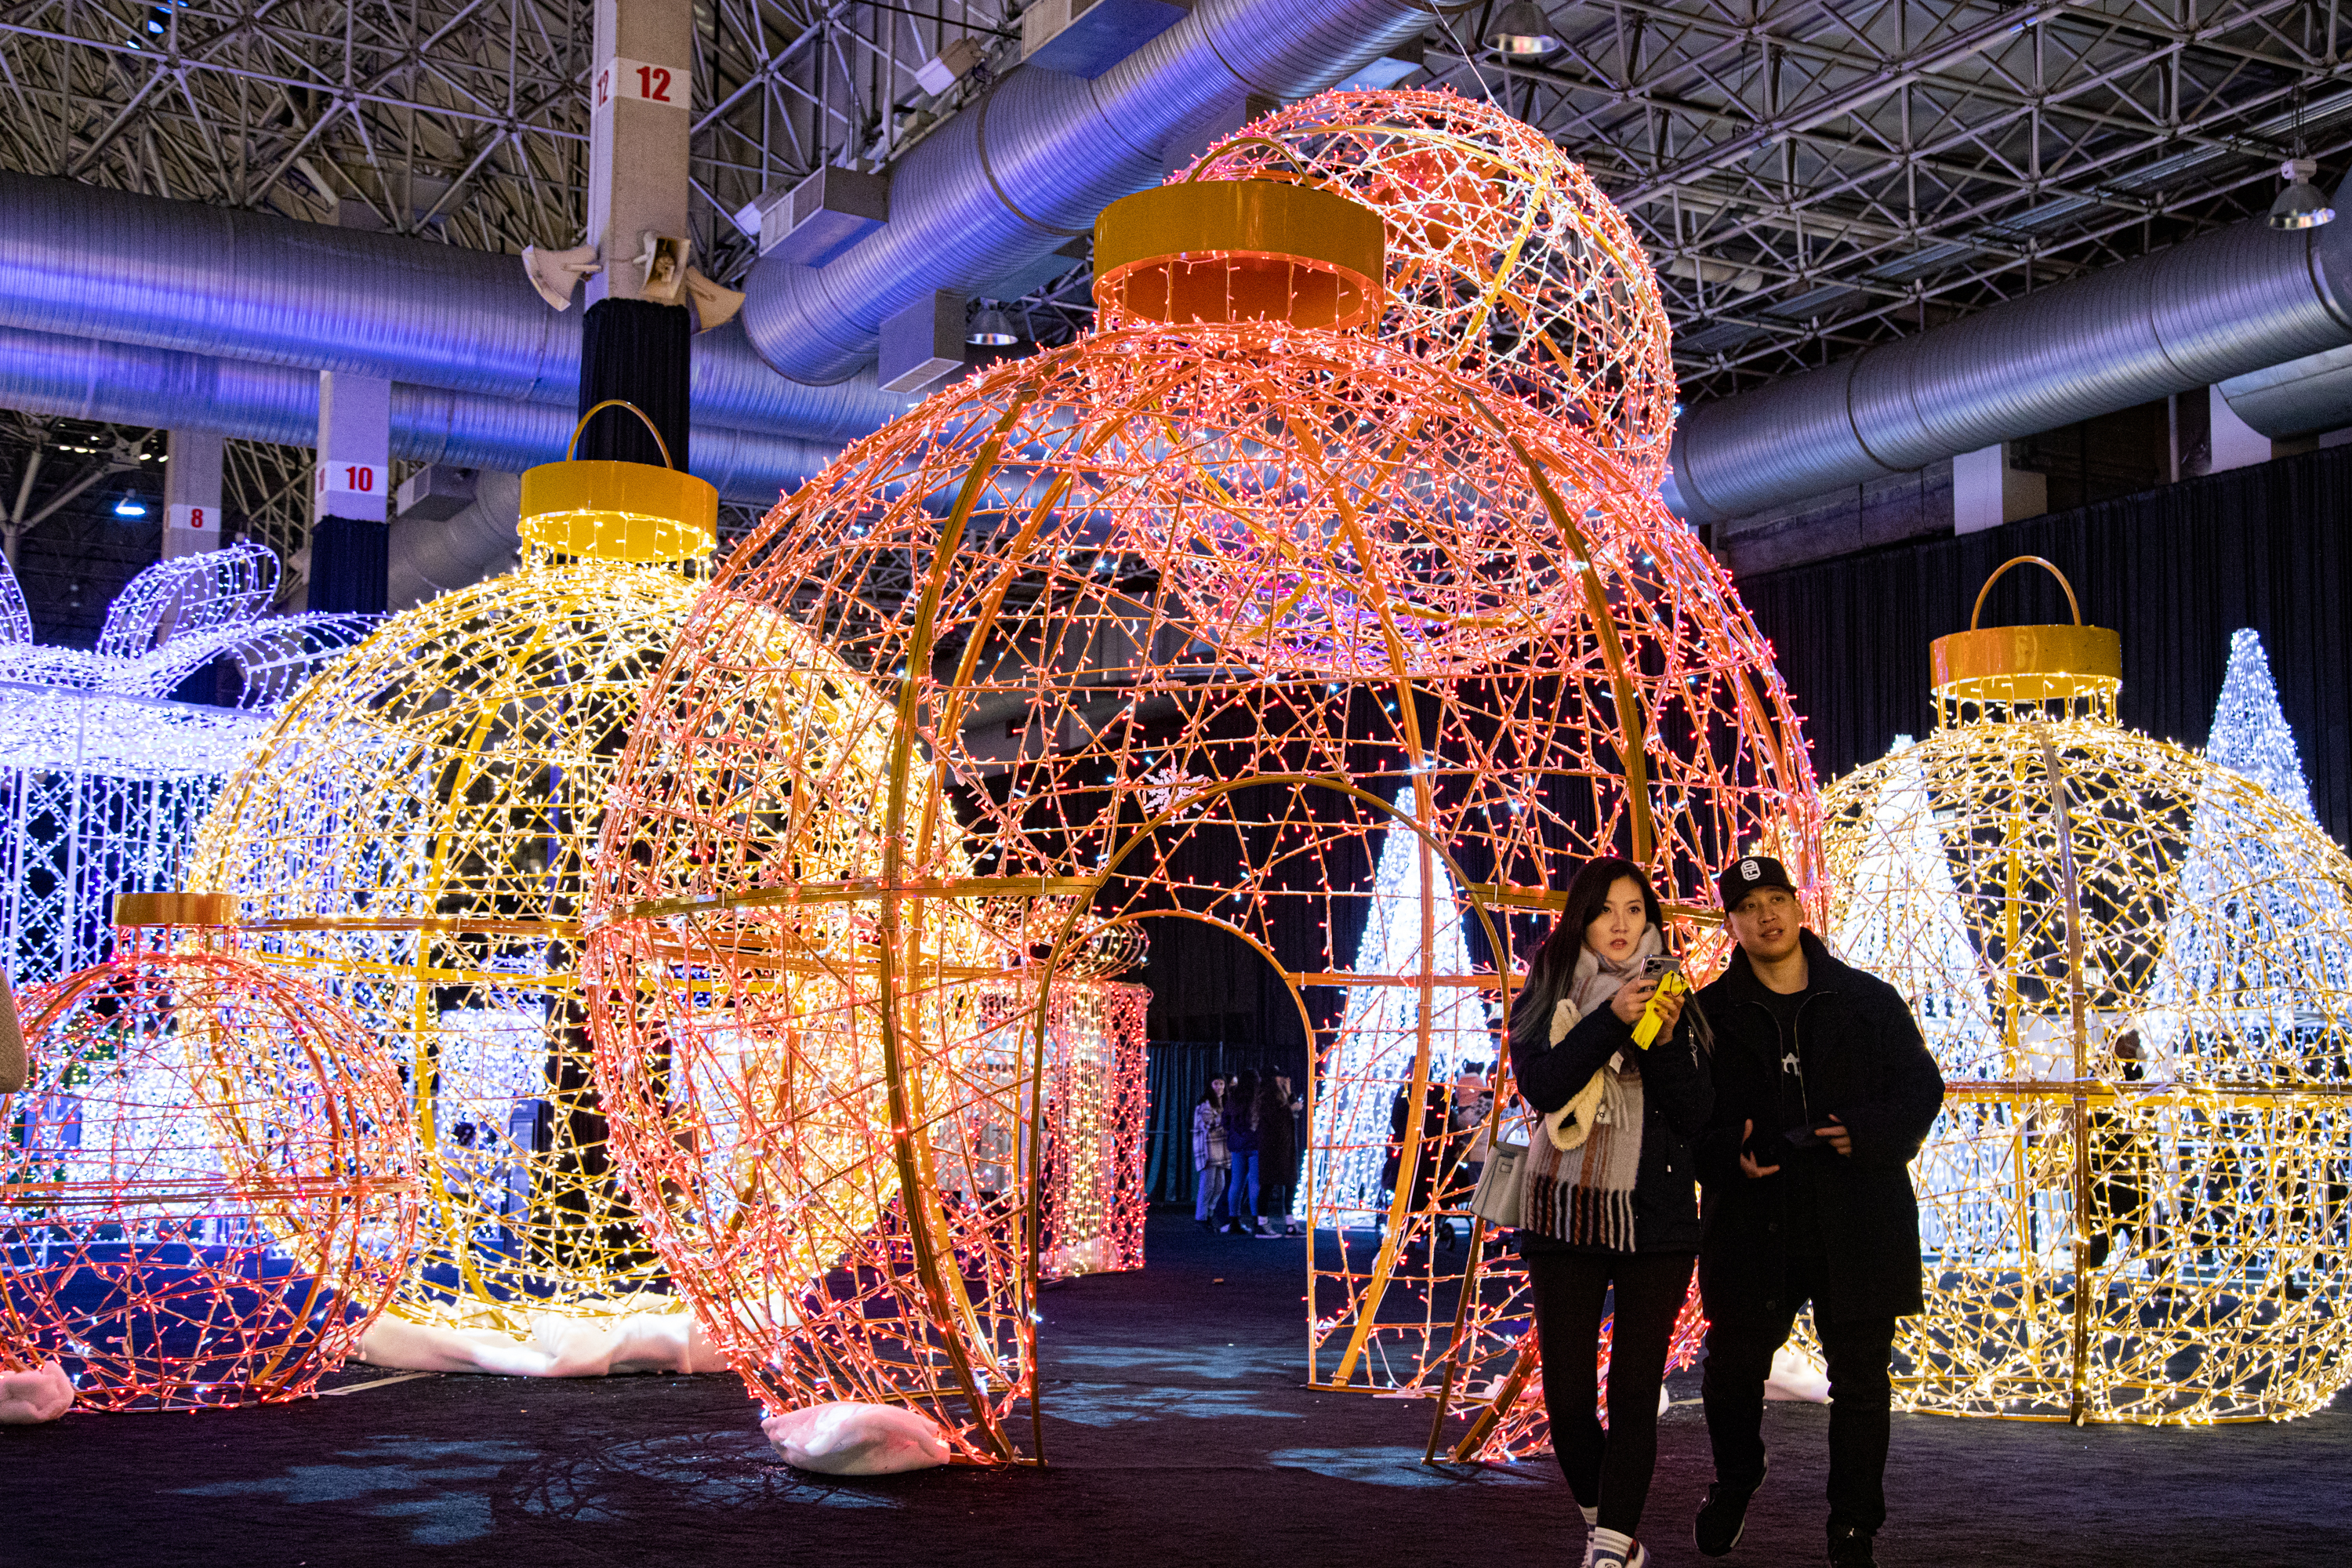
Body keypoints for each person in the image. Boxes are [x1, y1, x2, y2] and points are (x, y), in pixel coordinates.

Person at [1690, 856, 1944, 1568]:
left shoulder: (1866, 999)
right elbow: (1687, 1117)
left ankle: (1855, 1525)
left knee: (1861, 1380)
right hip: (1753, 1220)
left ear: (1798, 908)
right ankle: (1737, 1479)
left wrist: (1868, 1131)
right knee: (1732, 1368)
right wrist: (1722, 1157)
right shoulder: (1710, 1014)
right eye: (1749, 906)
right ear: (1732, 923)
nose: (1766, 915)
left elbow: (1921, 1089)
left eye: (1777, 898)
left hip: (1857, 1216)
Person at [1509, 856, 1712, 1568]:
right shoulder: (1545, 992)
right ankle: (1608, 1524)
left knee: (1634, 1394)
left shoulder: (1680, 997)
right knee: (1566, 1403)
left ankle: (1612, 1547)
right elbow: (1543, 1084)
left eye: (1634, 910)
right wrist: (1610, 1021)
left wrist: (1655, 1032)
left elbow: (1695, 1113)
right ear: (1582, 921)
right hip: (1564, 1213)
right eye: (1605, 911)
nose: (1621, 925)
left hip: (1654, 1219)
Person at [1252, 1072, 1298, 1237]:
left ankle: (1290, 1223)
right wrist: (1290, 1107)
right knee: (1268, 1185)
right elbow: (1275, 1119)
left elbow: (1294, 1111)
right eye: (1280, 1077)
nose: (1284, 1079)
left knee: (1290, 1183)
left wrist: (1289, 1091)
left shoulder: (1281, 1096)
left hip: (1284, 1148)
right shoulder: (1267, 1098)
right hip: (1272, 1149)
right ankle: (1262, 1224)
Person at [1223, 1069, 1261, 1236]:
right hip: (1255, 1144)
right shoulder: (1257, 1097)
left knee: (1236, 1183)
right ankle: (1256, 1221)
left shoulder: (1233, 1098)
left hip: (1236, 1145)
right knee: (1255, 1183)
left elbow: (1225, 1121)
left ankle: (1234, 1221)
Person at [1191, 1075, 1229, 1230]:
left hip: (1222, 1149)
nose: (1219, 1087)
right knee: (1207, 1185)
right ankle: (1201, 1217)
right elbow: (1208, 1125)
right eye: (1216, 1083)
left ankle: (1209, 1213)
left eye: (1221, 1083)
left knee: (1220, 1185)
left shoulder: (1225, 1103)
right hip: (1208, 1149)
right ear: (1210, 1085)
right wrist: (1225, 1120)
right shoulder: (1205, 1104)